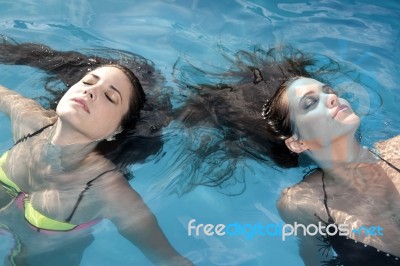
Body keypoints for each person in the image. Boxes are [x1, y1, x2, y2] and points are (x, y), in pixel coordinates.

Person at [174, 45, 399, 265]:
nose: (332, 98)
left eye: (329, 91)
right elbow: (315, 260)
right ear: (297, 143)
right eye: (310, 103)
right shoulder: (302, 203)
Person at [0, 37, 192, 265]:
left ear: (117, 129)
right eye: (89, 82)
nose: (90, 92)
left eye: (110, 97)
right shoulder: (30, 121)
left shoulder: (108, 190)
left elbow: (169, 259)